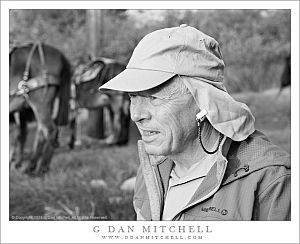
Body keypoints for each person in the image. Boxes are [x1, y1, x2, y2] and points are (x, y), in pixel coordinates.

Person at [99, 24, 291, 221]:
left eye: (154, 98)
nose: (136, 115)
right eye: (133, 97)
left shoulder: (270, 181)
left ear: (204, 100)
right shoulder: (152, 167)